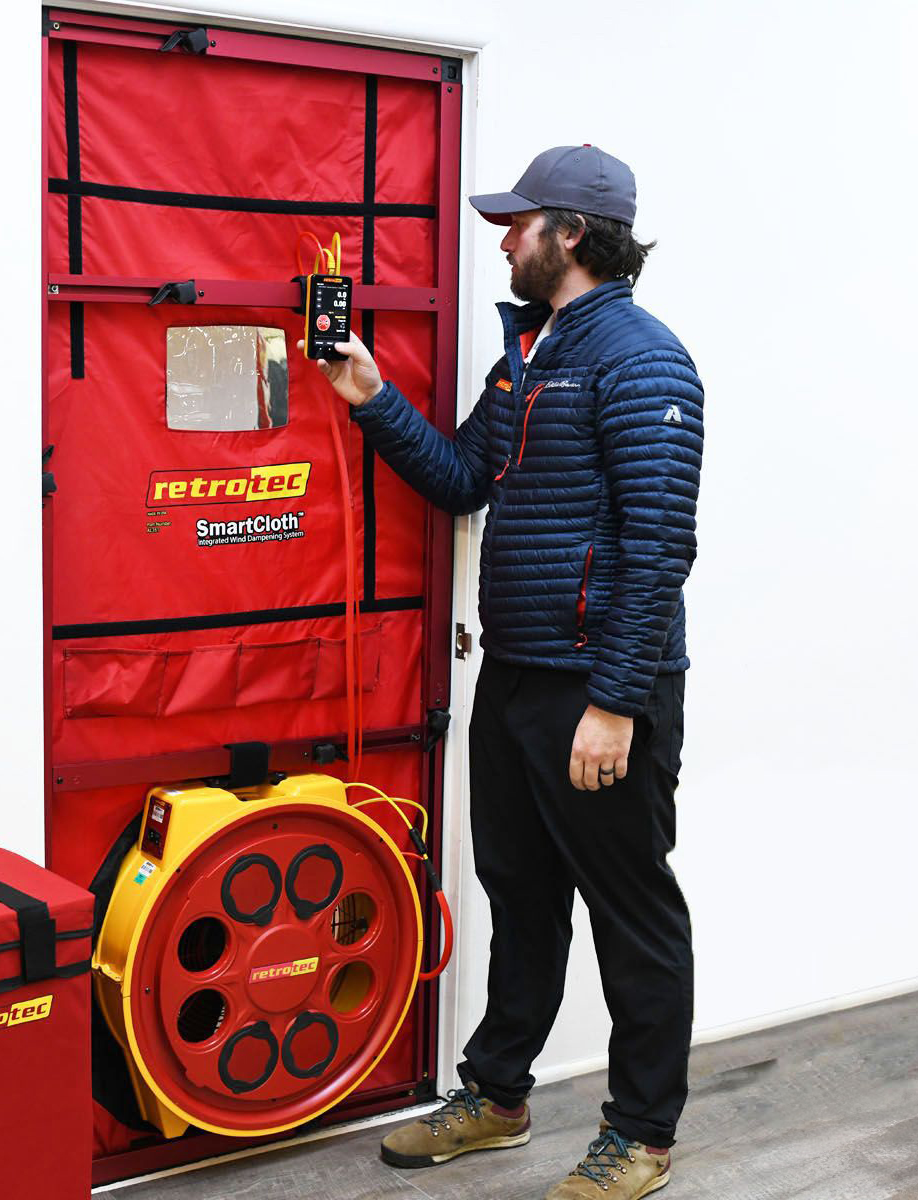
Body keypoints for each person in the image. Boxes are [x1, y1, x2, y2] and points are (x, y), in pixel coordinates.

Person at [301, 144, 703, 1200]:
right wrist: (371, 397)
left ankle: (641, 1135)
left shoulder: (639, 358)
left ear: (570, 233)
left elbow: (659, 544)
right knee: (520, 895)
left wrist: (615, 704)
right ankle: (496, 1097)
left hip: (597, 689)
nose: (501, 235)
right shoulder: (531, 352)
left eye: (517, 222)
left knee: (631, 913)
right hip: (519, 677)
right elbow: (465, 477)